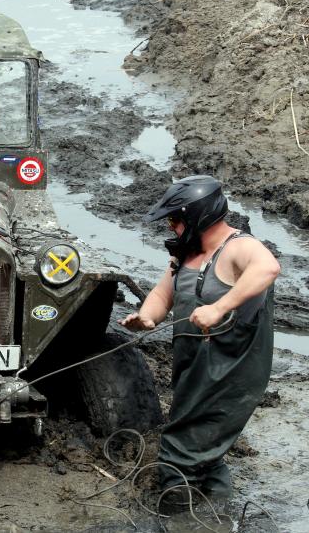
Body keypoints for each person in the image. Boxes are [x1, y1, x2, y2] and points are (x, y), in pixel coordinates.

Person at [119, 175, 280, 501]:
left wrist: (219, 306)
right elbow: (163, 295)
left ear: (197, 216)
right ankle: (218, 515)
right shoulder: (185, 255)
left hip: (229, 374)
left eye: (175, 220)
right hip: (193, 373)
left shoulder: (240, 247)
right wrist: (147, 316)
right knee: (204, 455)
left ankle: (180, 519)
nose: (171, 227)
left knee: (179, 457)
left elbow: (268, 268)